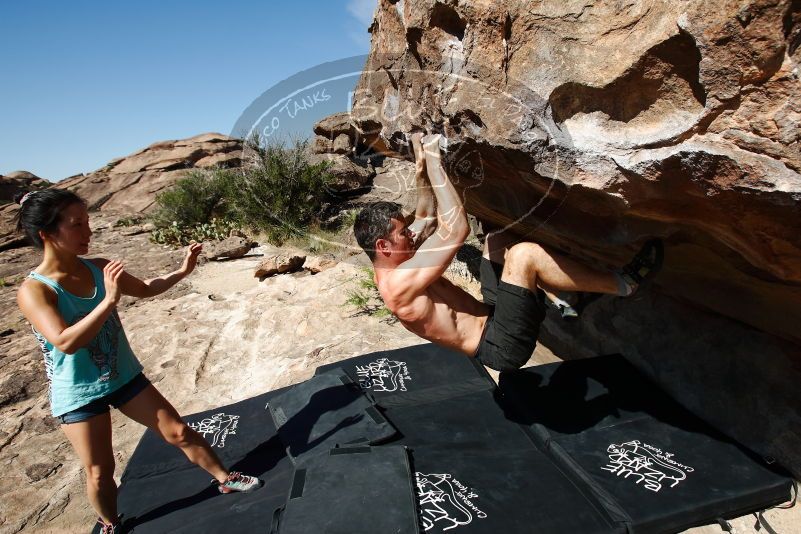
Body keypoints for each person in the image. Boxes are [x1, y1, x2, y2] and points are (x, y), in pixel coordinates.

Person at [14, 189, 262, 534]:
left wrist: (182, 271)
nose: (88, 232)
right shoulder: (35, 290)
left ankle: (224, 478)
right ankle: (110, 523)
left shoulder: (98, 267)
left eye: (88, 222)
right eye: (76, 225)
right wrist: (109, 301)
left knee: (178, 431)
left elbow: (146, 288)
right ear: (47, 234)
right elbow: (65, 341)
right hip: (79, 392)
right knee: (100, 471)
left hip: (123, 376)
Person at [354, 133, 662, 372]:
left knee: (499, 237)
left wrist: (422, 167)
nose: (410, 233)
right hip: (500, 344)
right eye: (402, 233)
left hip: (493, 314)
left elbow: (426, 217)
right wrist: (436, 163)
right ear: (383, 246)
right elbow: (455, 229)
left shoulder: (398, 260)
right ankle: (625, 283)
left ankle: (562, 295)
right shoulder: (398, 286)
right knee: (523, 256)